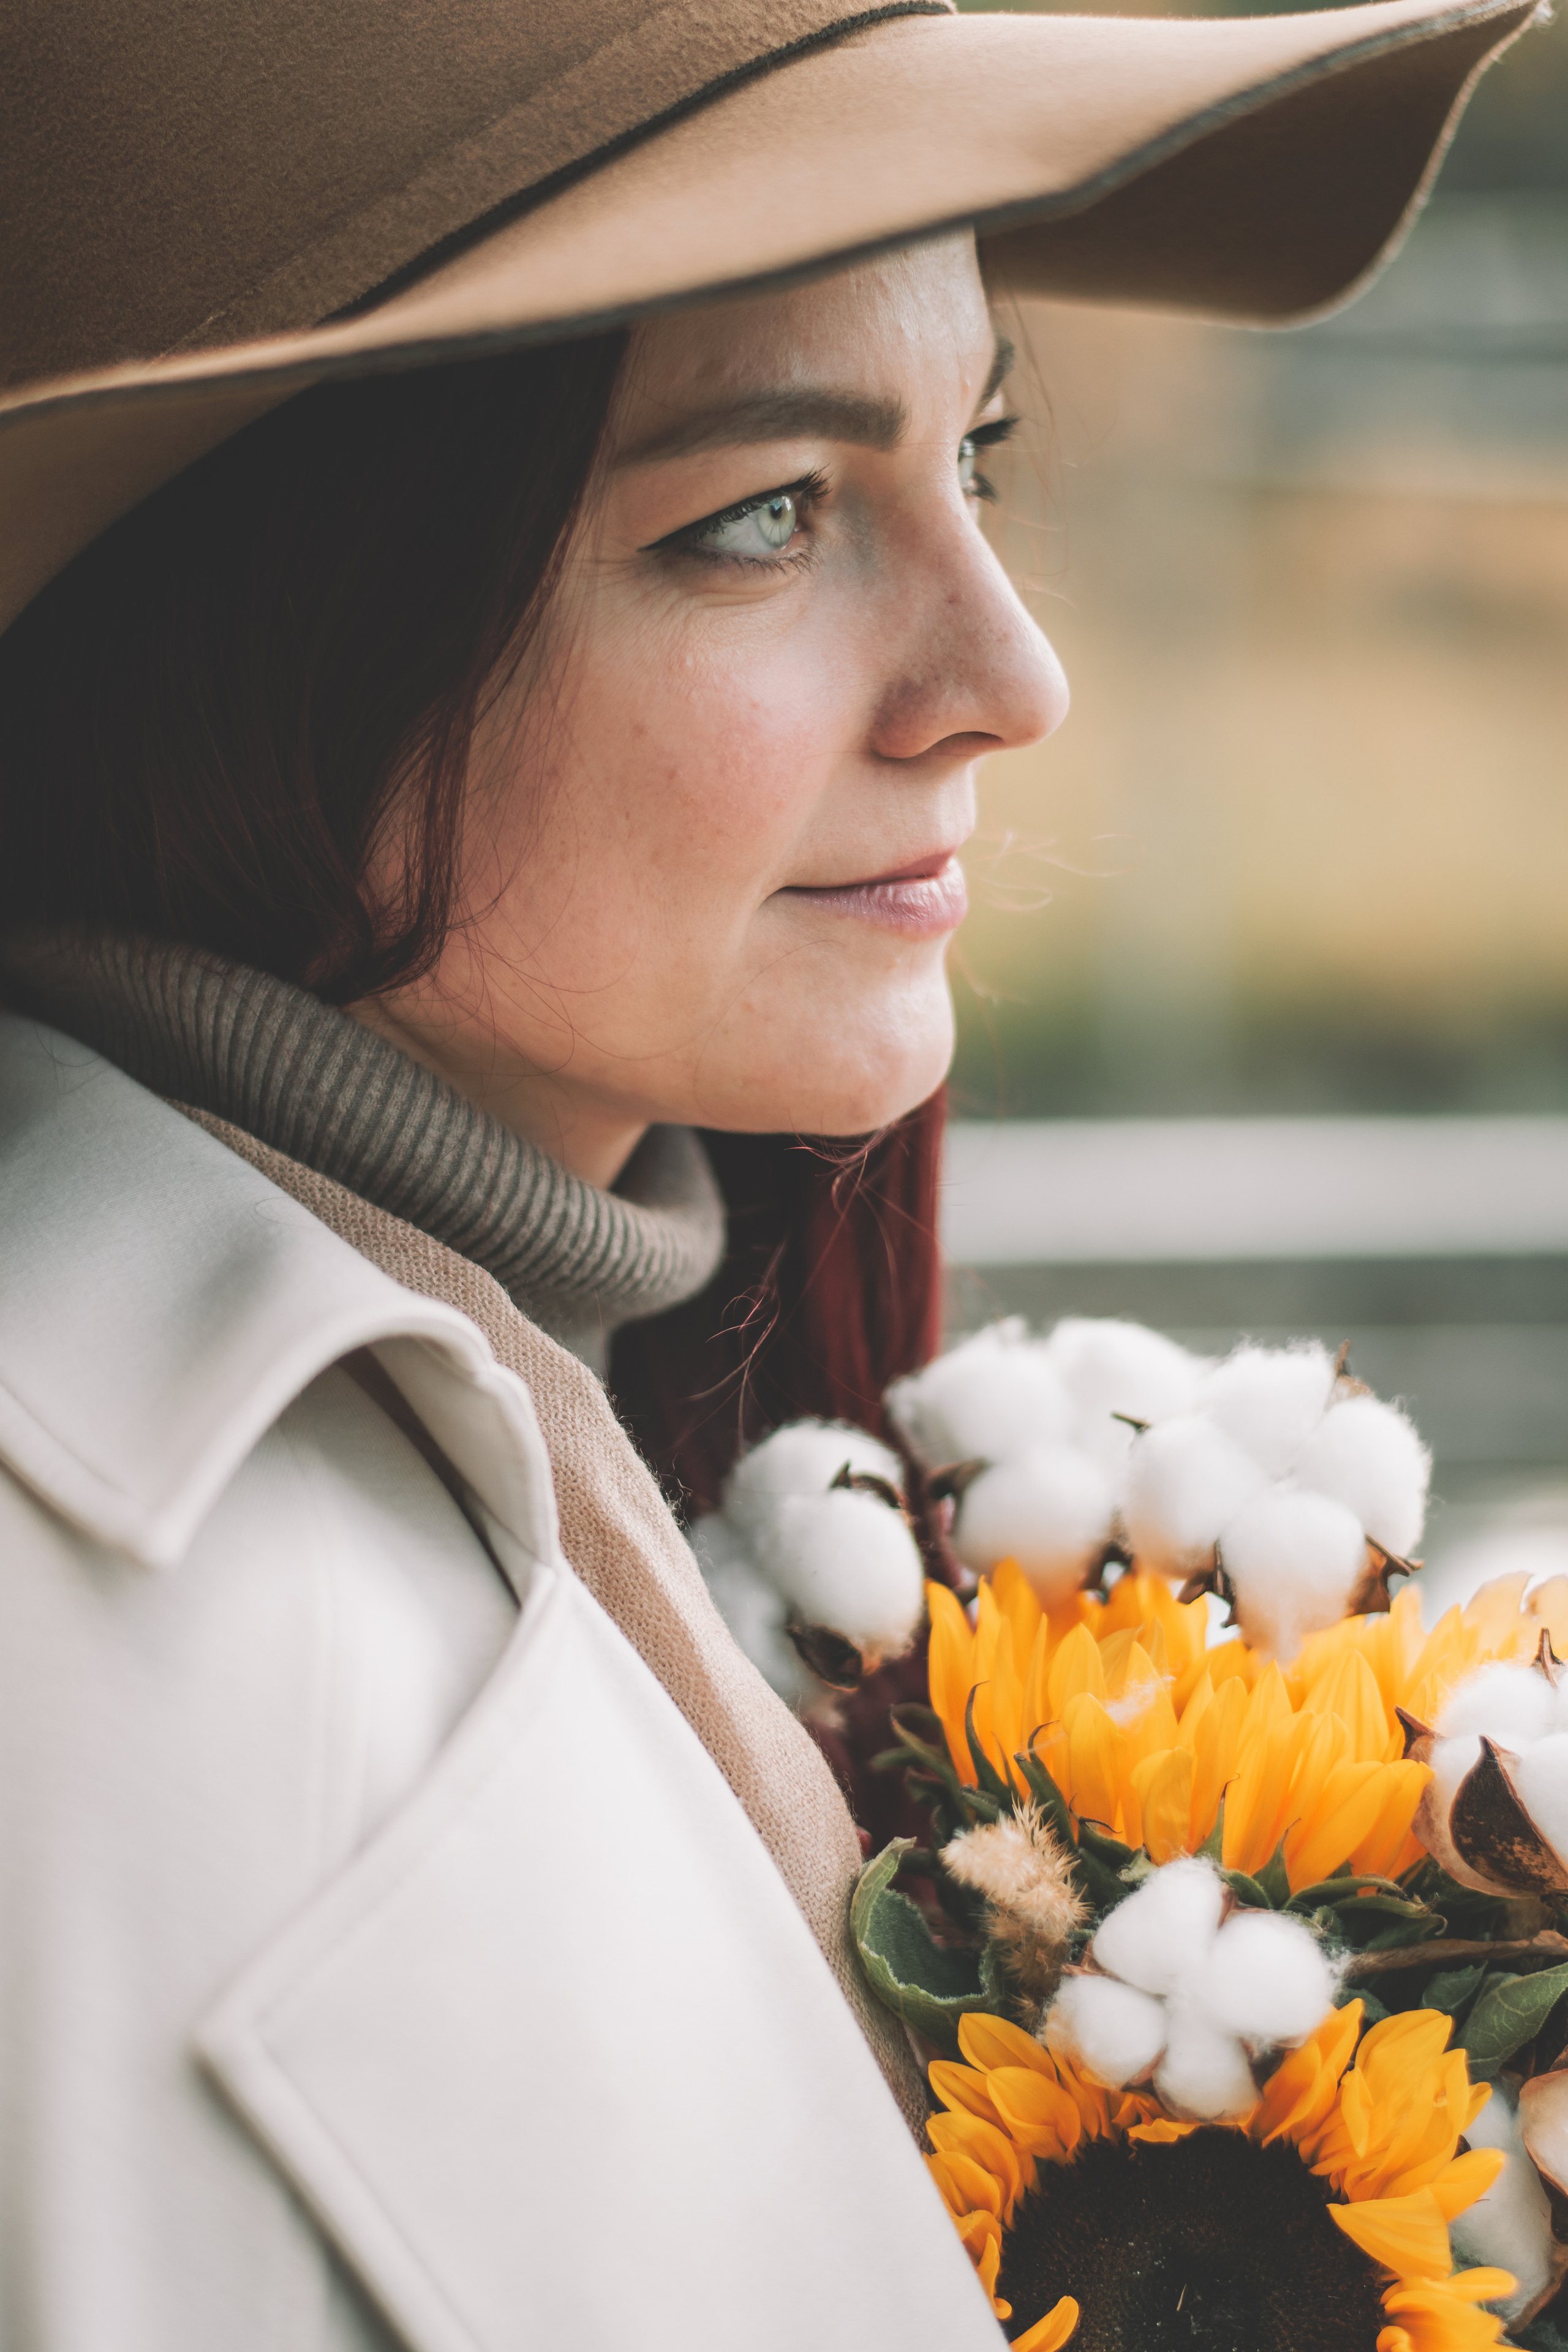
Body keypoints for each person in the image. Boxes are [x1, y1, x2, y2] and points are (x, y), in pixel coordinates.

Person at [0, 0, 1533, 2345]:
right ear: (266, 631)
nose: (1007, 672)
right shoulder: (95, 1680)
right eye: (764, 514)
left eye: (979, 457)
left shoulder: (629, 1468)